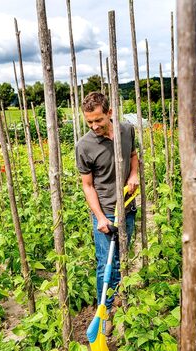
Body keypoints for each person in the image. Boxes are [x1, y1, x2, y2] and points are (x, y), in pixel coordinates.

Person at [75, 92, 139, 333]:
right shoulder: (85, 145)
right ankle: (105, 312)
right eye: (89, 121)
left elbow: (133, 156)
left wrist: (133, 174)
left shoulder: (126, 130)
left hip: (128, 208)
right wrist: (100, 217)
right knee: (106, 264)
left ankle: (117, 297)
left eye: (98, 120)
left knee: (121, 259)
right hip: (105, 213)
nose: (94, 126)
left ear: (110, 113)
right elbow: (87, 185)